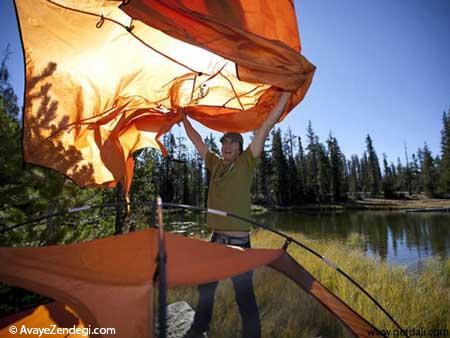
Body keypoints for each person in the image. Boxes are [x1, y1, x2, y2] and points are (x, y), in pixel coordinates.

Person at [181, 91, 291, 338]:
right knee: (206, 287)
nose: (227, 145)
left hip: (239, 244)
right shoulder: (215, 163)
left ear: (240, 148)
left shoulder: (246, 163)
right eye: (224, 142)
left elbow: (265, 127)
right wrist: (183, 118)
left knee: (244, 296)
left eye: (232, 142)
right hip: (216, 240)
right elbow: (197, 141)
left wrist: (284, 98)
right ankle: (200, 327)